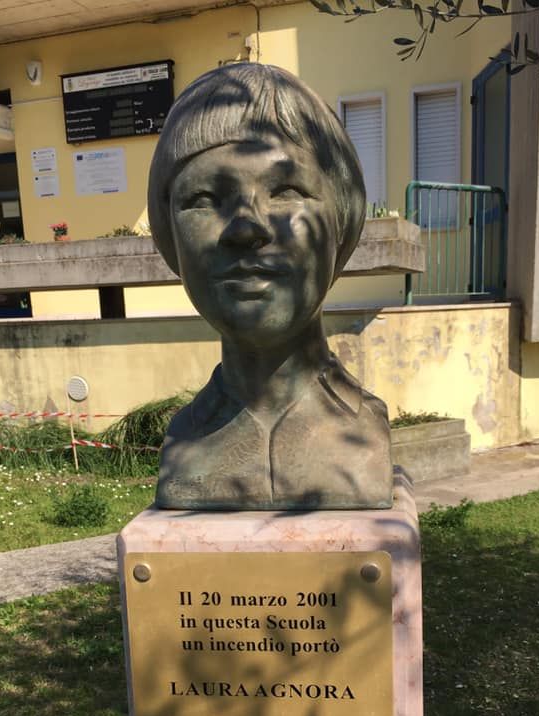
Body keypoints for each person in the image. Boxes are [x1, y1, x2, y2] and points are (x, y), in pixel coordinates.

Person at [148, 62, 392, 510]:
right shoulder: (187, 441)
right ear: (171, 237)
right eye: (204, 199)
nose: (246, 228)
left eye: (286, 192)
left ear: (340, 223)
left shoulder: (362, 431)